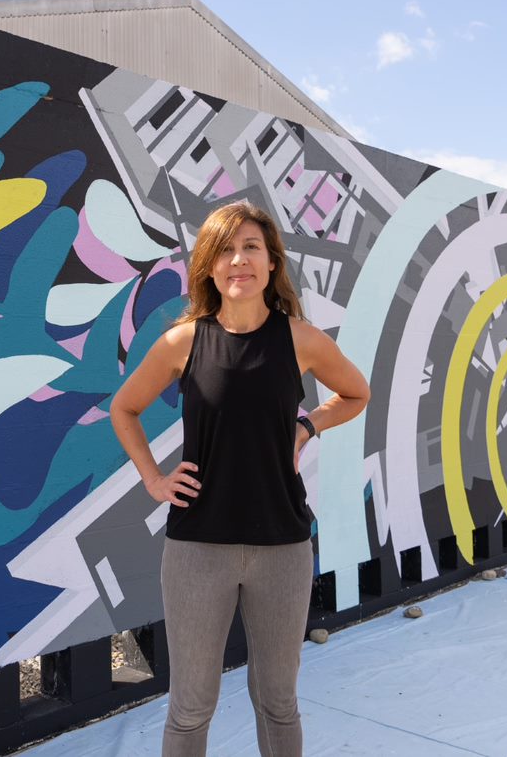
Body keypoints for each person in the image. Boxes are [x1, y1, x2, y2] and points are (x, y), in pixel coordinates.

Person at [110, 200, 371, 756]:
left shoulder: (301, 339)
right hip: (198, 548)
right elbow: (124, 408)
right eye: (225, 249)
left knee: (278, 702)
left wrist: (308, 425)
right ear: (209, 266)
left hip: (284, 546)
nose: (239, 260)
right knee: (190, 707)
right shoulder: (184, 342)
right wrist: (155, 480)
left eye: (251, 247)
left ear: (271, 263)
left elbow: (356, 394)